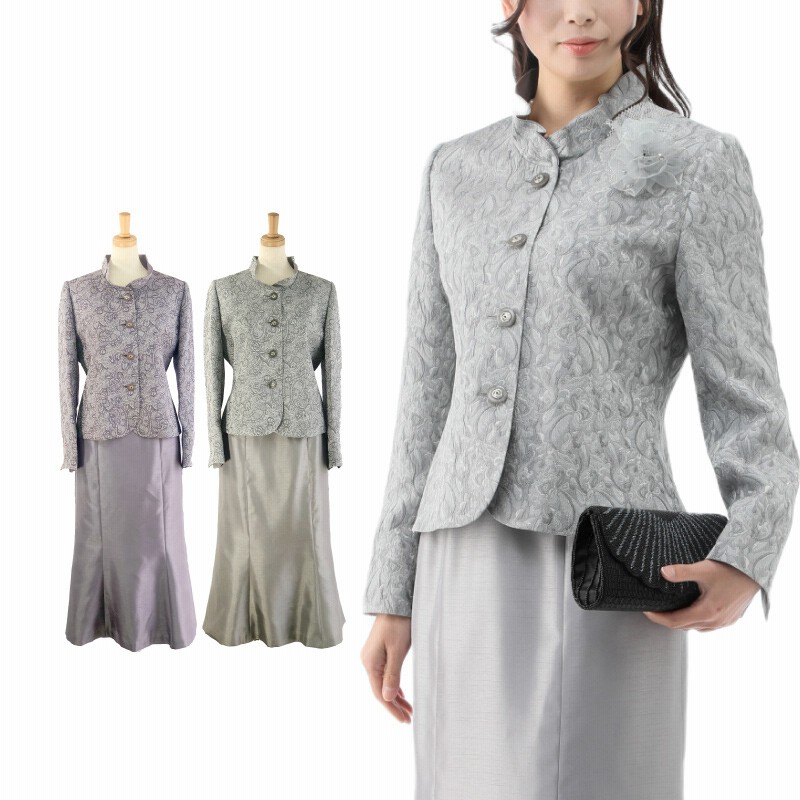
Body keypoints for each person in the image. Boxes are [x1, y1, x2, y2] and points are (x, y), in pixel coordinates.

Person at [361, 1, 800, 798]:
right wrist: (392, 592)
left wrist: (748, 552)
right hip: (457, 556)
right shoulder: (454, 170)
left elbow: (746, 391)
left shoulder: (696, 164)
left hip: (608, 560)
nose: (582, 13)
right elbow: (426, 393)